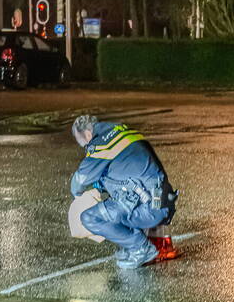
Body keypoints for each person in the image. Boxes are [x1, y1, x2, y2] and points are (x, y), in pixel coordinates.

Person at [69, 115, 178, 269]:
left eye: (84, 144)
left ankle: (140, 248)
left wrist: (78, 196)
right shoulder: (124, 132)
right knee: (118, 201)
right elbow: (123, 173)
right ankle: (146, 244)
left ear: (87, 134)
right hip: (163, 202)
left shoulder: (101, 144)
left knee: (90, 217)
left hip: (149, 209)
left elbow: (79, 181)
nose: (86, 148)